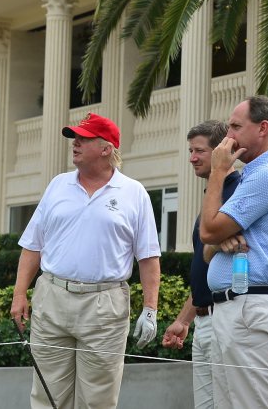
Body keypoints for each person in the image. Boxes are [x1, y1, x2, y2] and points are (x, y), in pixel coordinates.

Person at [11, 112, 161, 409]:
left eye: (83, 138)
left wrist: (150, 309)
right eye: (74, 138)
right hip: (52, 297)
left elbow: (148, 256)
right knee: (46, 395)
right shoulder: (57, 185)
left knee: (98, 399)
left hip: (105, 303)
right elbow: (32, 246)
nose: (75, 143)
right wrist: (19, 294)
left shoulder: (134, 193)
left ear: (106, 149)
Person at [200, 96, 268, 409]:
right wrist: (218, 241)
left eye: (235, 126)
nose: (228, 136)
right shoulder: (251, 175)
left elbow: (208, 229)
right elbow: (207, 248)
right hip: (235, 308)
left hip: (250, 307)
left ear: (263, 129)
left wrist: (218, 172)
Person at [161, 120, 242, 409]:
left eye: (200, 151)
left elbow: (233, 247)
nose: (192, 157)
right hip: (205, 320)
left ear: (222, 151)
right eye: (190, 151)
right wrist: (184, 320)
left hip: (228, 316)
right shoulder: (213, 194)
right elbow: (205, 268)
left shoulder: (238, 189)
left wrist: (214, 244)